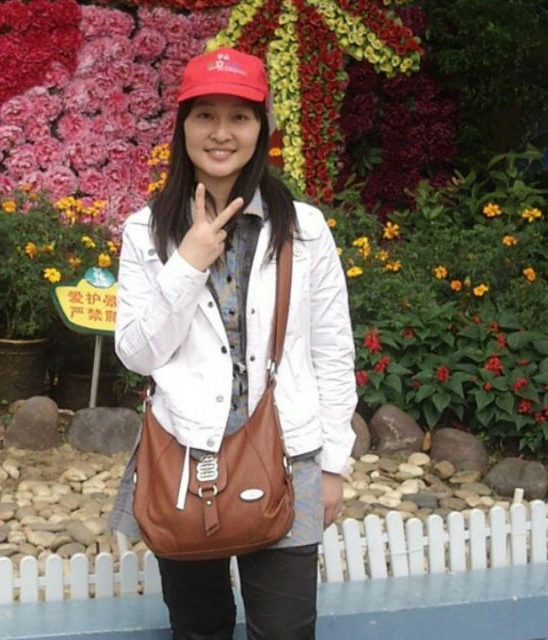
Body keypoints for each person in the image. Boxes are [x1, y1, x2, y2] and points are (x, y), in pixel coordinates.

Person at [110, 47, 357, 640]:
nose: (221, 133)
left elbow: (332, 350)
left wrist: (333, 465)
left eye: (239, 117)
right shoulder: (145, 231)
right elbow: (137, 354)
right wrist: (188, 262)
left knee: (286, 630)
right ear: (182, 126)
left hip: (290, 454)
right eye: (205, 116)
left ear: (261, 128)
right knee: (199, 627)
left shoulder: (304, 228)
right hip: (183, 456)